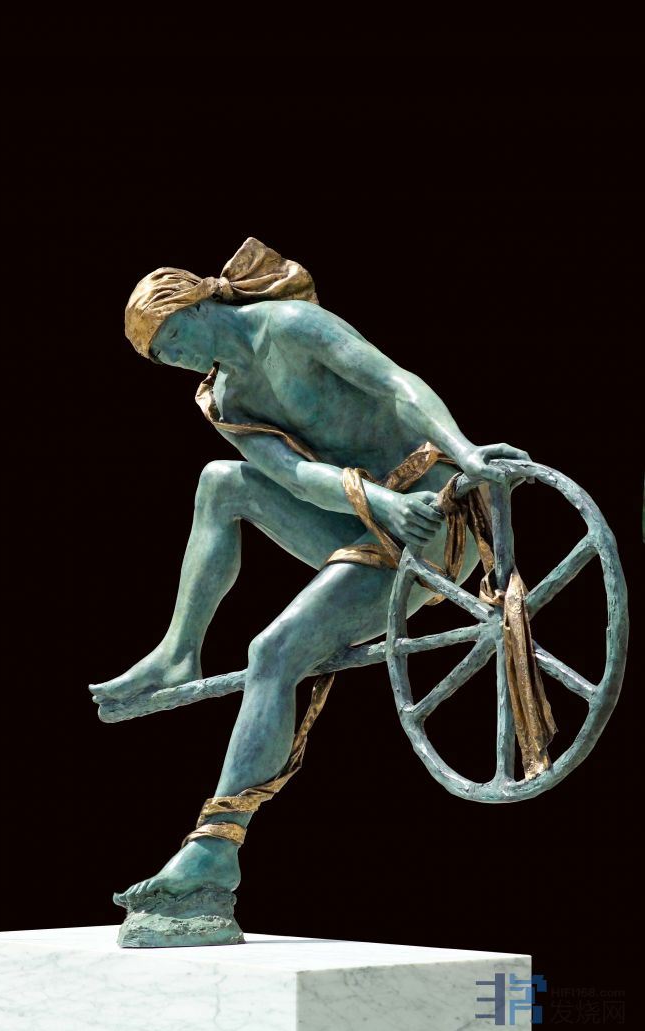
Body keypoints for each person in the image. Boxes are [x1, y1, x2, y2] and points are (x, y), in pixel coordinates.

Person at [90, 238, 530, 913]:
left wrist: (465, 455)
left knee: (273, 651)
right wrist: (375, 501)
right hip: (371, 516)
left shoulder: (292, 325)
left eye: (172, 339)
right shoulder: (227, 397)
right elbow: (293, 476)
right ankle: (179, 650)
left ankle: (215, 847)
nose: (175, 360)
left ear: (197, 305)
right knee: (221, 482)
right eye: (162, 358)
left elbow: (394, 382)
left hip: (434, 516)